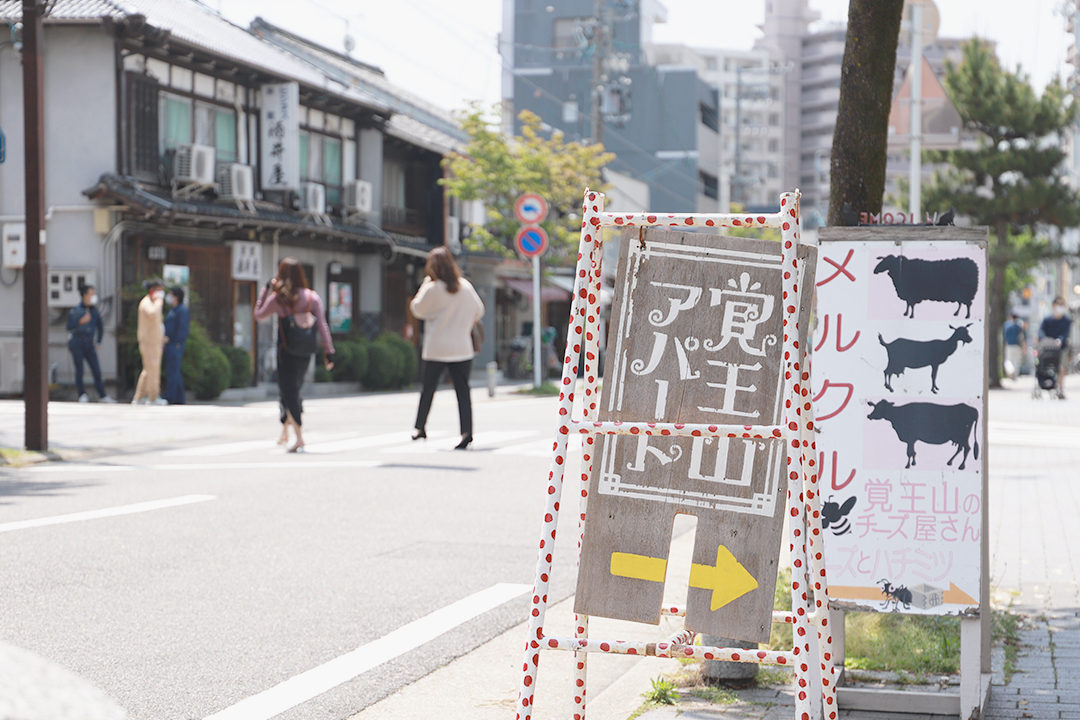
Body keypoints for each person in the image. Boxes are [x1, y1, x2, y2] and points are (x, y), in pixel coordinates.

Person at [255, 258, 335, 453]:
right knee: (293, 390)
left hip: (286, 352)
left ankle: (299, 437)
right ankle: (285, 432)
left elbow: (259, 314)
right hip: (306, 351)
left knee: (289, 392)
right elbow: (323, 325)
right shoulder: (311, 297)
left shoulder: (279, 298)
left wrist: (265, 290)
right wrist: (329, 351)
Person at [409, 246, 485, 450]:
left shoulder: (432, 288)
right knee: (462, 391)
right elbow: (479, 311)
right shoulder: (465, 286)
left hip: (437, 348)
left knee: (428, 389)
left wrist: (425, 285)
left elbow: (416, 309)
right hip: (462, 347)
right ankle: (466, 432)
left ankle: (420, 427)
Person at [66, 284, 114, 403]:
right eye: (91, 294)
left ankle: (102, 395)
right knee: (80, 369)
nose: (93, 296)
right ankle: (82, 394)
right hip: (77, 342)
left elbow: (100, 327)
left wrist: (98, 341)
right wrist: (80, 321)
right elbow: (69, 326)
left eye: (94, 294)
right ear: (84, 295)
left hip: (89, 343)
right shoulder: (76, 310)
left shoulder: (94, 311)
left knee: (96, 370)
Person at [132, 278, 166, 405]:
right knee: (153, 368)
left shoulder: (154, 302)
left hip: (155, 340)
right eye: (159, 290)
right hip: (148, 341)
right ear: (153, 291)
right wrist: (158, 302)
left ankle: (139, 397)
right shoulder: (147, 303)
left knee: (149, 369)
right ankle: (153, 397)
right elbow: (152, 313)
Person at [1039, 297, 1073, 398]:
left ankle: (1060, 388)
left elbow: (1065, 333)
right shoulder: (1047, 320)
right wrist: (1045, 340)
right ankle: (1047, 385)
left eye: (1062, 305)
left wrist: (1060, 341)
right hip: (1047, 348)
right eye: (1059, 305)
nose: (1061, 308)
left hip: (1061, 348)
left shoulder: (1066, 320)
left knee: (1062, 368)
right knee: (1045, 366)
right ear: (1053, 306)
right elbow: (1040, 331)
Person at [163, 286, 191, 405]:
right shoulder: (172, 310)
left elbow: (183, 329)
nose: (168, 297)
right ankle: (180, 399)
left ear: (176, 297)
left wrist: (179, 343)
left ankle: (170, 397)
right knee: (174, 371)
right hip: (168, 344)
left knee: (172, 372)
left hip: (175, 345)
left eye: (170, 294)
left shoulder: (182, 310)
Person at [1002, 313, 1025, 381]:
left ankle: (1011, 371)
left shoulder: (1006, 325)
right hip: (1017, 346)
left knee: (1008, 360)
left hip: (1008, 345)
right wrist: (1023, 347)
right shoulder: (1018, 326)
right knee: (1016, 361)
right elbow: (1021, 337)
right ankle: (1015, 376)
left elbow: (1004, 336)